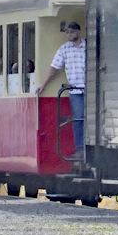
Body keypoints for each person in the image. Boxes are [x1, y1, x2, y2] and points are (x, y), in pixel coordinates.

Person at [36, 22, 86, 159]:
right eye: (67, 32)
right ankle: (80, 148)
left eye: (71, 31)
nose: (69, 34)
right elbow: (55, 67)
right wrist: (44, 84)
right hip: (76, 90)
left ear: (78, 32)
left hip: (92, 89)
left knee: (94, 120)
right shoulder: (64, 49)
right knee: (79, 119)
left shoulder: (89, 46)